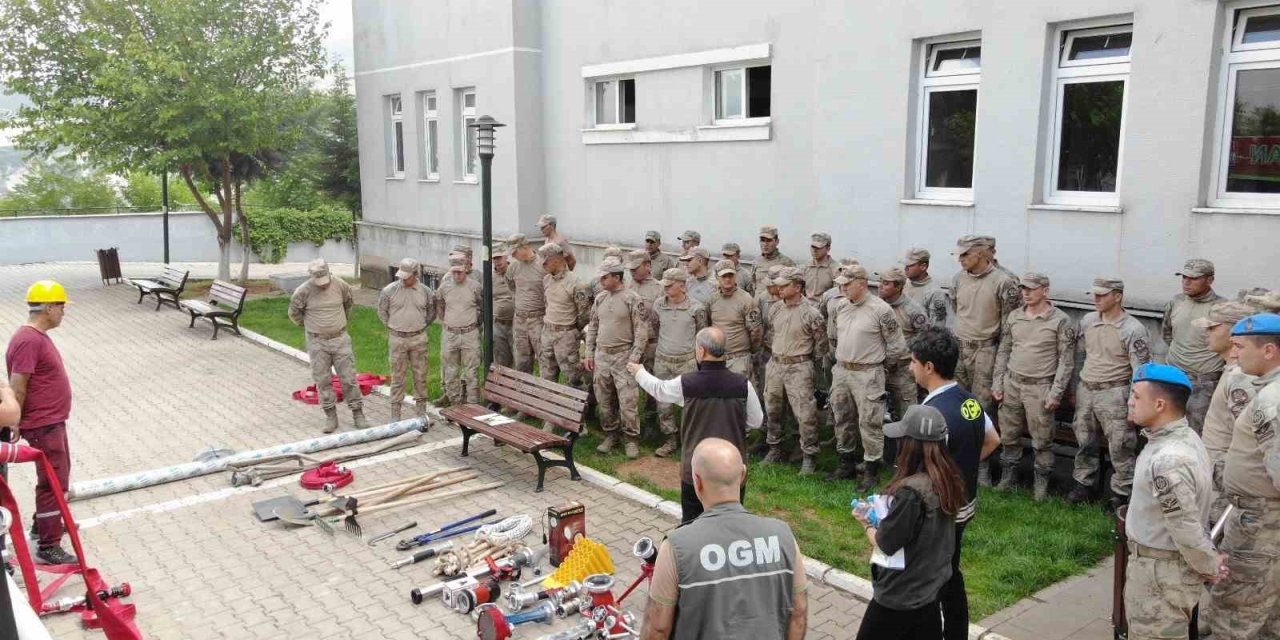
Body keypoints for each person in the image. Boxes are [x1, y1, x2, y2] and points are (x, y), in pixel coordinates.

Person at [640, 438, 806, 640]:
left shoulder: (677, 546)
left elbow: (657, 629)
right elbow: (798, 614)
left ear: (697, 481)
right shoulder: (783, 535)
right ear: (743, 475)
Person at [1124, 363, 1227, 640]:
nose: (1130, 402)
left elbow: (1184, 525)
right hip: (1161, 568)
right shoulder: (1184, 437)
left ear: (1159, 404)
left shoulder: (1168, 460)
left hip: (1159, 575)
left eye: (1135, 396)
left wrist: (1209, 564)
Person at [909, 326, 999, 640]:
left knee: (931, 576)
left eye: (913, 362)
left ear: (928, 367)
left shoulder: (931, 414)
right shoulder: (969, 400)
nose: (911, 367)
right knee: (951, 570)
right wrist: (963, 467)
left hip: (940, 513)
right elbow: (992, 439)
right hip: (965, 504)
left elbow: (920, 470)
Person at [852, 404, 965, 640]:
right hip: (930, 590)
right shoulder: (948, 479)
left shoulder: (911, 493)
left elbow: (886, 543)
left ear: (911, 445)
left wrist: (867, 523)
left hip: (900, 597)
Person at [629, 329, 764, 523]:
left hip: (696, 469)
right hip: (732, 468)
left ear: (701, 351)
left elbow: (659, 390)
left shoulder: (688, 383)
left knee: (692, 524)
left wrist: (639, 372)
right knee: (729, 523)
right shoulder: (743, 385)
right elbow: (756, 421)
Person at [1209, 312, 1280, 639]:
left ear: (1269, 350)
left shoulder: (1271, 401)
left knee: (1235, 607)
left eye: (1240, 347)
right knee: (1267, 608)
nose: (1233, 354)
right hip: (1258, 516)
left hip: (1260, 522)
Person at [5, 281, 78, 565]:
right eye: (61, 306)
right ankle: (49, 545)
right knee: (52, 483)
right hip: (43, 425)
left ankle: (43, 524)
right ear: (48, 308)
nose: (63, 312)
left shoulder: (35, 336)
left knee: (57, 479)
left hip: (52, 421)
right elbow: (18, 384)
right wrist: (14, 420)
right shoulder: (29, 340)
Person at [991, 273, 1075, 500]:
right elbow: (1004, 351)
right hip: (1012, 383)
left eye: (1031, 289)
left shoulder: (1060, 321)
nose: (1025, 293)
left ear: (1045, 291)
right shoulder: (1014, 317)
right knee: (1008, 435)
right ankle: (1008, 476)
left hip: (1040, 388)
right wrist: (998, 382)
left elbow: (1066, 361)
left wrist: (1056, 392)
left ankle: (1041, 483)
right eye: (1023, 289)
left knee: (1042, 440)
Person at [1069, 277, 1153, 505]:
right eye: (1094, 294)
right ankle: (1083, 484)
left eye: (1102, 295)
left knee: (1120, 447)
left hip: (1114, 392)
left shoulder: (1133, 329)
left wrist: (1134, 403)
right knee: (1084, 441)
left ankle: (1121, 494)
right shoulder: (1087, 321)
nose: (1096, 299)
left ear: (1117, 296)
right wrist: (1076, 387)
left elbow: (1141, 371)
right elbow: (1079, 355)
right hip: (1087, 388)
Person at [827, 265, 906, 489]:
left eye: (847, 283)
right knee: (842, 417)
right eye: (840, 283)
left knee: (869, 422)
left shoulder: (880, 310)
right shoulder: (840, 306)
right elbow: (833, 337)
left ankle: (871, 471)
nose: (842, 287)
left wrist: (880, 368)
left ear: (861, 283)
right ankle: (846, 464)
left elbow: (896, 346)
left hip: (868, 372)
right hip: (842, 369)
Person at [950, 235, 1020, 486]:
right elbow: (957, 308)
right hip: (961, 348)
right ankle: (956, 459)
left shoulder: (1003, 282)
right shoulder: (958, 279)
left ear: (980, 253)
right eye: (959, 255)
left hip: (986, 352)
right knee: (957, 404)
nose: (961, 260)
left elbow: (1009, 323)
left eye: (966, 255)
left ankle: (981, 467)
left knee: (978, 409)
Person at [1193, 300, 1263, 524]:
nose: (1207, 332)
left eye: (1213, 327)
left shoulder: (1240, 377)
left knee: (1218, 530)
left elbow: (1249, 434)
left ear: (1234, 331)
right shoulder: (1232, 371)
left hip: (1225, 469)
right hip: (1218, 465)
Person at [761, 267, 829, 474]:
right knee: (772, 408)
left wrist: (805, 363)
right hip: (776, 363)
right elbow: (771, 334)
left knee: (805, 413)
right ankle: (775, 448)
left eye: (784, 285)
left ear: (798, 286)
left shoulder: (811, 313)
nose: (779, 289)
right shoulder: (776, 309)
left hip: (799, 366)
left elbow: (821, 345)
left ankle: (808, 455)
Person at [289, 259, 369, 432]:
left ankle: (358, 413)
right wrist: (313, 327)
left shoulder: (341, 285)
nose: (323, 284)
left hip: (340, 339)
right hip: (317, 342)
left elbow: (348, 304)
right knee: (323, 380)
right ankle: (331, 416)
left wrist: (338, 324)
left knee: (348, 378)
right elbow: (294, 314)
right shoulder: (302, 291)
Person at [585, 257, 652, 458]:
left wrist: (634, 357)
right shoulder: (600, 298)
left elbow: (641, 331)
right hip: (602, 354)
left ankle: (631, 439)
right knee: (604, 399)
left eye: (605, 277)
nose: (602, 281)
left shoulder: (632, 299)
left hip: (624, 355)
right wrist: (589, 352)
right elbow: (593, 326)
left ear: (616, 276)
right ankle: (611, 434)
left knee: (628, 401)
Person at [647, 268, 709, 458]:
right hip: (663, 360)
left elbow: (702, 334)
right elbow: (655, 328)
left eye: (670, 285)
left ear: (682, 286)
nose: (665, 288)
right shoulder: (658, 305)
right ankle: (670, 439)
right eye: (664, 284)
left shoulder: (696, 308)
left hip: (687, 362)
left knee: (690, 403)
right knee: (663, 403)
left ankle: (690, 440)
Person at [1162, 259, 1226, 434]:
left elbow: (1228, 347)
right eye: (1183, 277)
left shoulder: (1221, 308)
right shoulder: (1176, 302)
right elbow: (1167, 333)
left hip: (1203, 383)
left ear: (1210, 280)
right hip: (1173, 378)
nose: (1186, 282)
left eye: (1194, 278)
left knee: (1195, 433)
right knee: (1166, 428)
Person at [376, 258, 436, 421]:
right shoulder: (389, 291)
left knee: (420, 376)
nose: (402, 279)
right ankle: (395, 414)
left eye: (406, 276)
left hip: (418, 338)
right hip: (397, 339)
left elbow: (431, 313)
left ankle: (421, 413)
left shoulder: (426, 292)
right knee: (397, 377)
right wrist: (395, 326)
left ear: (416, 274)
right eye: (401, 275)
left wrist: (419, 326)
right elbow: (382, 312)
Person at [878, 265, 929, 421]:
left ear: (899, 286)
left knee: (907, 414)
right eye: (881, 281)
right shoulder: (876, 305)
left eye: (886, 283)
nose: (880, 286)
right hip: (878, 365)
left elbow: (924, 339)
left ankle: (907, 444)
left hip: (903, 369)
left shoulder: (913, 310)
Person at [539, 242, 591, 389]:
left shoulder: (577, 284)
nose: (542, 265)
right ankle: (548, 409)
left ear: (557, 259)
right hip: (547, 333)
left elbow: (585, 314)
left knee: (573, 377)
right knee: (546, 376)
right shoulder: (546, 280)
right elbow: (547, 304)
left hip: (566, 336)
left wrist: (570, 330)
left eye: (545, 261)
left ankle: (580, 409)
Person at [436, 257, 484, 405]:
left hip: (470, 333)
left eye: (460, 272)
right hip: (450, 334)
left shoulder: (475, 286)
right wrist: (449, 321)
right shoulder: (444, 287)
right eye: (454, 272)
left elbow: (482, 306)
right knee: (451, 372)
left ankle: (473, 404)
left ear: (465, 270)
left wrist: (475, 322)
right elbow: (440, 306)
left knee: (471, 372)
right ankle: (455, 403)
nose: (457, 275)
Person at [707, 259, 763, 379]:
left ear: (735, 276)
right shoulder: (712, 299)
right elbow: (708, 325)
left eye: (730, 275)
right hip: (718, 359)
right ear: (717, 277)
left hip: (739, 359)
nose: (728, 279)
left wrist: (751, 352)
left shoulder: (746, 299)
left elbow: (756, 331)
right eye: (724, 276)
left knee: (740, 395)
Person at [504, 233, 546, 376]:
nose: (513, 256)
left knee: (544, 359)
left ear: (526, 247)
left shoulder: (543, 264)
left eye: (515, 252)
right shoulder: (514, 267)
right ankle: (523, 394)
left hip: (539, 318)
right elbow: (511, 285)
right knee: (522, 361)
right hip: (520, 319)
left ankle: (544, 395)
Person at [903, 247, 949, 328]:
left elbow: (937, 328)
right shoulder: (904, 284)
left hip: (919, 339)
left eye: (910, 265)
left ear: (923, 267)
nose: (906, 268)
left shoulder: (935, 292)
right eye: (905, 265)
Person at [752, 225, 796, 298]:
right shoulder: (756, 262)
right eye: (762, 240)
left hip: (777, 306)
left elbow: (793, 289)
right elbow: (753, 286)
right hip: (758, 305)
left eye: (769, 240)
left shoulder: (787, 263)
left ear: (777, 241)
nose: (765, 244)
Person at [491, 248, 515, 368]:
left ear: (506, 257)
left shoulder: (516, 271)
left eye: (499, 257)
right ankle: (502, 386)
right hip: (498, 325)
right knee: (501, 362)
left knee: (521, 361)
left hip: (517, 324)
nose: (497, 261)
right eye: (494, 259)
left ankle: (519, 386)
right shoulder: (489, 277)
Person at [804, 232, 837, 302]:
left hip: (824, 308)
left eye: (818, 247)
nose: (814, 250)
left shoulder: (835, 269)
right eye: (812, 247)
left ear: (828, 249)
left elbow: (837, 295)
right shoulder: (805, 267)